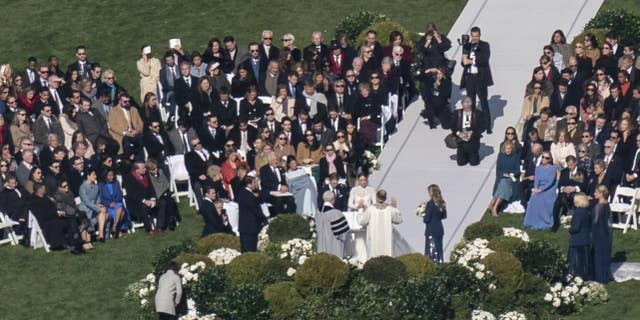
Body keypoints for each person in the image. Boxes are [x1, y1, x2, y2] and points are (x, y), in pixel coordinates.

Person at [460, 26, 494, 133]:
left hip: (480, 78)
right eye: (473, 36)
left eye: (476, 36)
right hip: (470, 77)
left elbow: (484, 59)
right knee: (471, 103)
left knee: (483, 102)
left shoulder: (484, 45)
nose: (474, 38)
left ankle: (488, 126)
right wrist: (464, 60)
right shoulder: (467, 45)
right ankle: (473, 126)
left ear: (480, 35)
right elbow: (464, 62)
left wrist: (470, 61)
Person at [357, 189, 402, 258]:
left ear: (376, 197)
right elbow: (398, 220)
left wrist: (360, 210)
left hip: (374, 242)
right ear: (385, 198)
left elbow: (361, 221)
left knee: (374, 257)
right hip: (387, 244)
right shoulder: (390, 209)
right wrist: (395, 208)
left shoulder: (370, 209)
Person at [524, 151, 558, 230]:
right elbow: (537, 180)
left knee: (543, 198)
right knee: (534, 197)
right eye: (543, 157)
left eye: (547, 158)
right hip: (539, 187)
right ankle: (532, 221)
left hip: (549, 188)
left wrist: (541, 190)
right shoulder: (538, 168)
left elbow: (550, 181)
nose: (544, 159)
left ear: (550, 160)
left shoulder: (553, 169)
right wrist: (536, 188)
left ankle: (545, 221)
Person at [552, 156, 587, 231]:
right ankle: (556, 223)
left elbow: (584, 185)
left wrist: (574, 188)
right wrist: (563, 189)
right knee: (557, 203)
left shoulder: (582, 171)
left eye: (571, 165)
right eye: (568, 165)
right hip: (564, 193)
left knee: (571, 198)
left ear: (575, 163)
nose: (569, 167)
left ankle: (571, 219)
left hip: (576, 193)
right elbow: (560, 185)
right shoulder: (564, 172)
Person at [123, 161, 158, 235]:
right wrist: (144, 201)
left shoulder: (146, 176)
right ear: (137, 170)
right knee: (143, 207)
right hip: (135, 202)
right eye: (143, 168)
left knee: (162, 202)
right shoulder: (129, 178)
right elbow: (132, 194)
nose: (146, 169)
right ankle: (149, 229)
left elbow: (151, 189)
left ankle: (160, 226)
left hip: (148, 199)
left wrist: (153, 199)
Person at [147, 159, 179, 232]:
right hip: (156, 196)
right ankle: (169, 220)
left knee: (169, 200)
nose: (155, 170)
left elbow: (166, 184)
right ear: (149, 170)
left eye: (156, 168)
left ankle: (170, 219)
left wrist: (164, 191)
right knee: (165, 201)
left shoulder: (160, 172)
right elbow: (154, 188)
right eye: (153, 169)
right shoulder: (149, 177)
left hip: (165, 193)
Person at [316, 190, 350, 258]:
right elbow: (343, 234)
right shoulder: (336, 213)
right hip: (334, 246)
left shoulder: (318, 214)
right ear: (332, 199)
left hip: (321, 247)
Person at [489, 142, 520, 216]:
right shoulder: (501, 156)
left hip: (511, 178)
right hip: (502, 177)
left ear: (512, 149)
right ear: (504, 149)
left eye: (509, 148)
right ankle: (494, 207)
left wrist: (511, 174)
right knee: (503, 184)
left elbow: (517, 170)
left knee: (504, 184)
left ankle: (493, 204)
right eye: (506, 148)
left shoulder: (515, 157)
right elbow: (498, 170)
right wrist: (503, 174)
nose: (508, 150)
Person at [237, 176, 267, 252]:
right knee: (250, 249)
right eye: (253, 183)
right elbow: (254, 209)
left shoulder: (244, 192)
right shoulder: (247, 194)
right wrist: (264, 219)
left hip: (247, 227)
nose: (255, 185)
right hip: (249, 227)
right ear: (248, 184)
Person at [452, 96, 483, 166]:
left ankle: (473, 155)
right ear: (462, 104)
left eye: (469, 102)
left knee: (474, 163)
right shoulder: (457, 113)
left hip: (472, 141)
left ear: (472, 103)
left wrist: (472, 132)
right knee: (461, 162)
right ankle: (463, 154)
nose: (467, 105)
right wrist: (458, 133)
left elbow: (482, 127)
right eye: (465, 103)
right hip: (461, 141)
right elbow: (452, 126)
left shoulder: (478, 113)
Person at [78, 169, 108, 241]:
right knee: (102, 212)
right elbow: (87, 202)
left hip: (94, 209)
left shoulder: (96, 186)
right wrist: (98, 208)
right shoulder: (82, 187)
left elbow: (98, 198)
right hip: (85, 210)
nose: (95, 176)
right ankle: (98, 236)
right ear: (88, 176)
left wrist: (99, 205)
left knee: (103, 213)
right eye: (93, 175)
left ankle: (101, 235)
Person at [568, 193, 592, 280]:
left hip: (577, 240)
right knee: (585, 260)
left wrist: (569, 229)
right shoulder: (587, 211)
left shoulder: (578, 213)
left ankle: (577, 276)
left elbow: (576, 227)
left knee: (577, 261)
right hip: (586, 239)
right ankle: (586, 275)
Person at [592, 185, 612, 284]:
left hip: (598, 232)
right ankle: (605, 275)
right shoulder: (607, 204)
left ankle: (599, 276)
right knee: (604, 254)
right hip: (606, 232)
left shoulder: (598, 206)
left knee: (598, 254)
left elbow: (595, 221)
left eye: (596, 192)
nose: (594, 193)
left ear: (600, 194)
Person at [99, 169, 126, 238]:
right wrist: (109, 204)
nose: (112, 177)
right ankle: (117, 229)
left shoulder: (116, 183)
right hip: (107, 206)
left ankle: (114, 226)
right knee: (121, 212)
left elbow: (120, 195)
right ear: (105, 176)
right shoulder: (101, 185)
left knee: (120, 207)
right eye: (109, 175)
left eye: (112, 175)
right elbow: (101, 198)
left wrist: (115, 202)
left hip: (117, 204)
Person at [423, 184, 446, 263]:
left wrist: (423, 214)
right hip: (439, 229)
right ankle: (439, 264)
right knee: (438, 249)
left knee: (431, 250)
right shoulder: (442, 203)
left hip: (431, 229)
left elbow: (427, 219)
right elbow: (444, 216)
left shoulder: (430, 204)